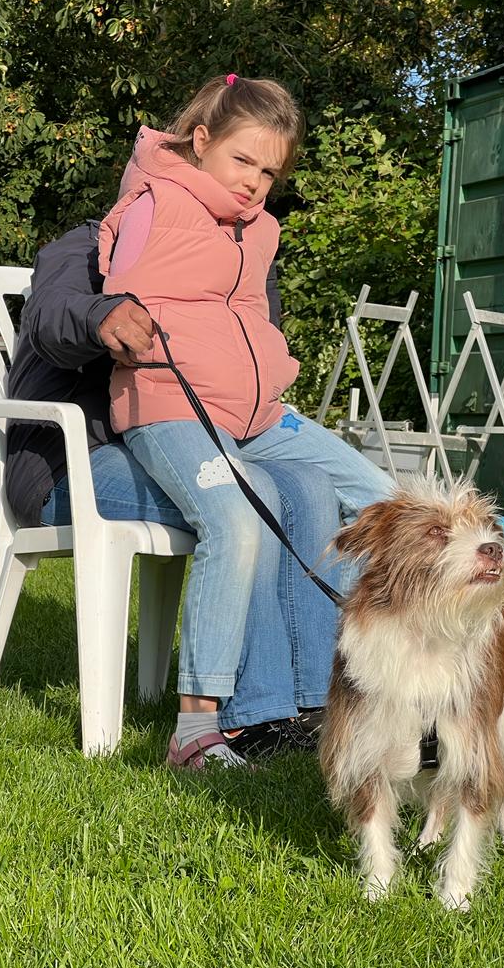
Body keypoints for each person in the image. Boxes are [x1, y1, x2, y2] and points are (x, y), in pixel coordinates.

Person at [97, 74, 395, 768]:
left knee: (384, 507)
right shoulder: (155, 200)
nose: (255, 182)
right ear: (202, 140)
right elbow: (113, 295)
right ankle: (196, 730)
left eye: (269, 172)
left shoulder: (261, 231)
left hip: (259, 416)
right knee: (234, 521)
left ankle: (350, 690)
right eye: (243, 161)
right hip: (170, 407)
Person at [5, 219, 342, 765]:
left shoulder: (229, 253)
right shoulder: (89, 242)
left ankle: (316, 703)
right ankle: (246, 715)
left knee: (310, 486)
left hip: (187, 440)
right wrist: (100, 315)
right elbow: (47, 318)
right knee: (251, 497)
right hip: (69, 458)